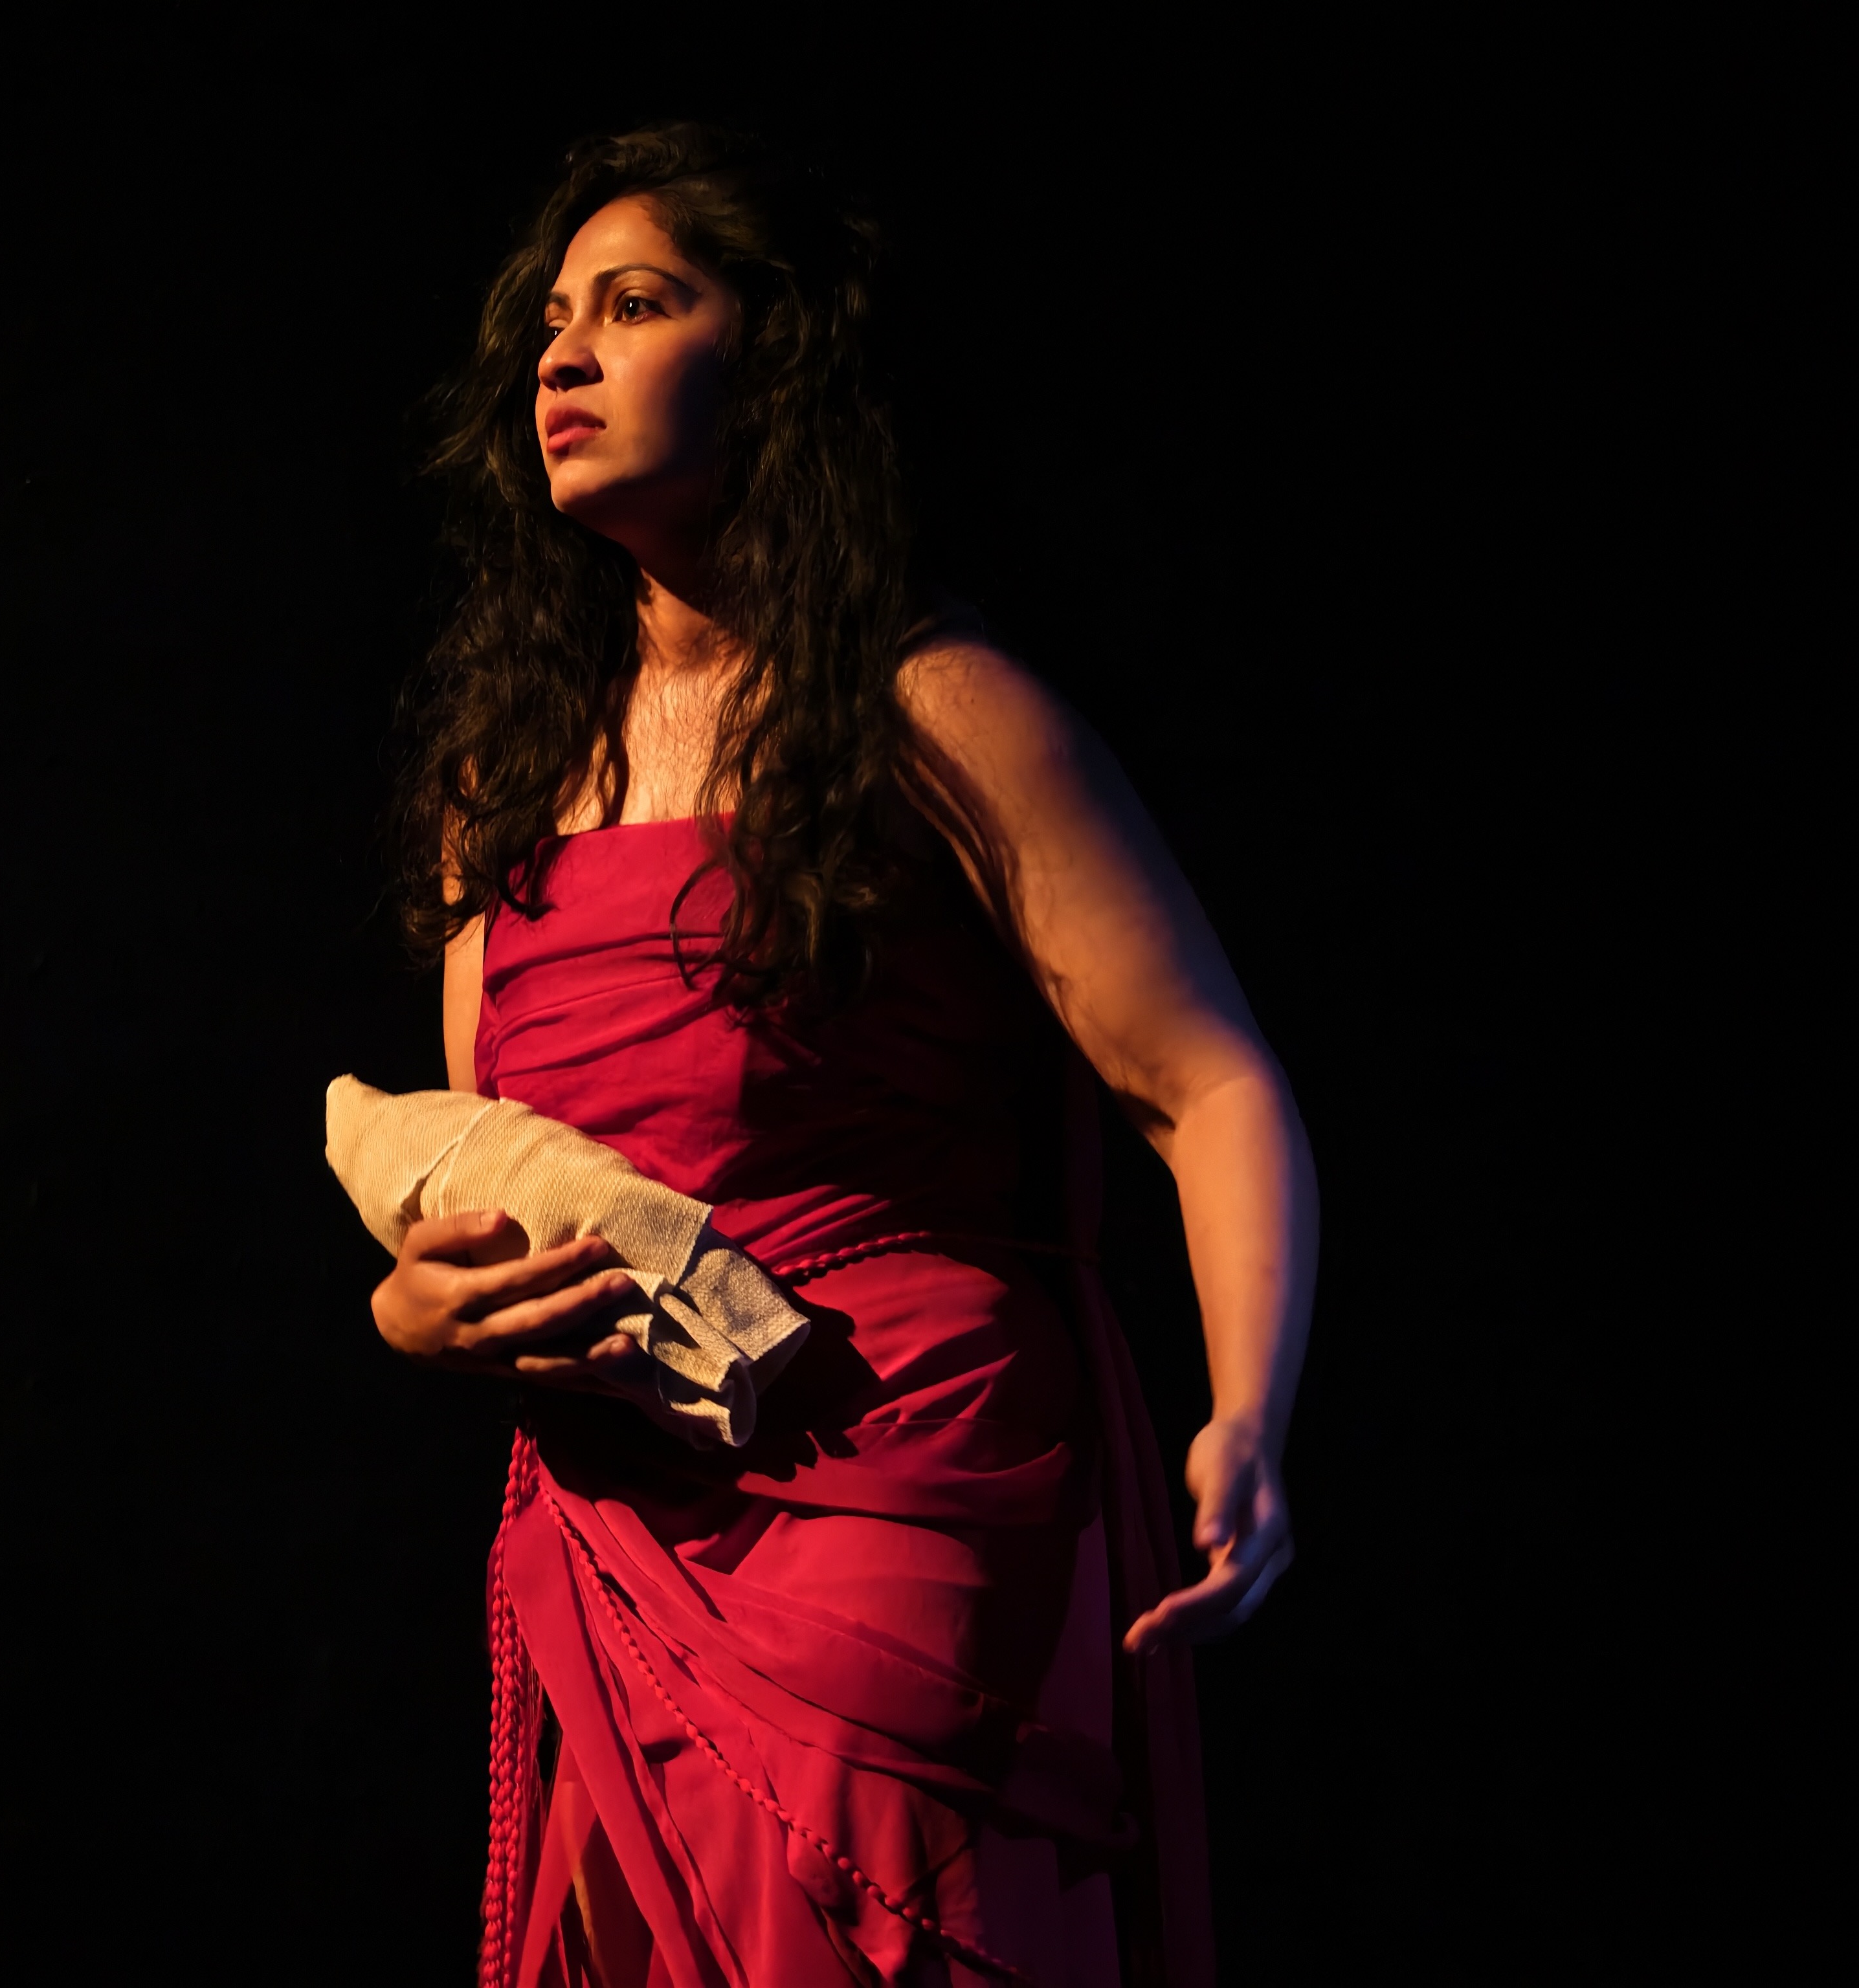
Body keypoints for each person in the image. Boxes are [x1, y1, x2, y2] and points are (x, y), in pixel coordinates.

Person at [368, 125, 1315, 1988]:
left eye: (637, 306)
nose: (565, 355)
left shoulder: (928, 707)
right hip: (618, 1518)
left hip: (895, 1474)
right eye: (552, 321)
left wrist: (1253, 1416)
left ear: (777, 361)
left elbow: (1209, 1082)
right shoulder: (507, 781)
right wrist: (416, 1313)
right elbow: (483, 1174)